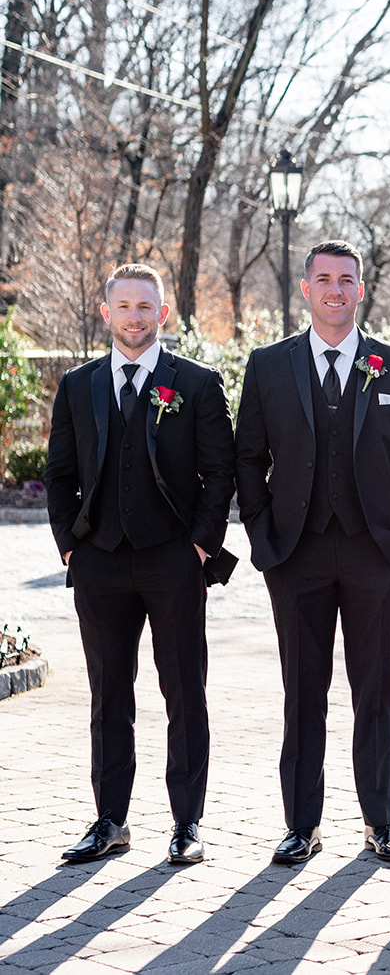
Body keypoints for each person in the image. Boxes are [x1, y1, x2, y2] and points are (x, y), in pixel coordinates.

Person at [234, 240, 390, 865]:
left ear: (361, 289)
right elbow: (247, 457)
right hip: (296, 554)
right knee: (303, 692)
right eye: (324, 279)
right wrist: (263, 533)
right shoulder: (269, 366)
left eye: (347, 280)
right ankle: (302, 824)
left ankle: (381, 823)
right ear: (305, 289)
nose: (336, 290)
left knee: (376, 689)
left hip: (377, 554)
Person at [44, 263, 236, 865]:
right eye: (123, 306)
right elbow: (60, 475)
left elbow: (220, 472)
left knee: (184, 691)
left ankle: (187, 824)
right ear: (107, 313)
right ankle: (110, 820)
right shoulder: (79, 386)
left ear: (164, 314)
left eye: (144, 306)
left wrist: (201, 546)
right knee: (108, 696)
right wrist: (70, 547)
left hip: (173, 562)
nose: (134, 317)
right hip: (98, 563)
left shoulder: (197, 384)